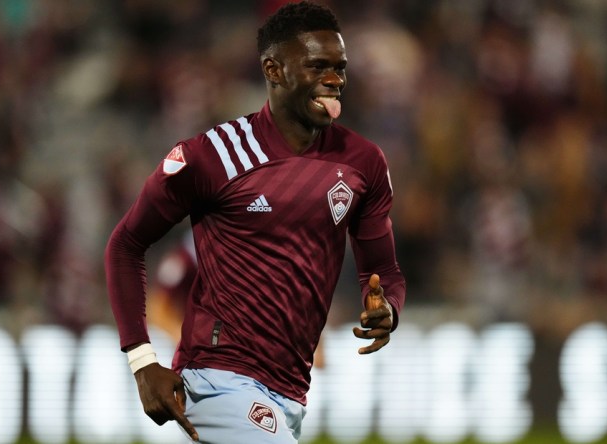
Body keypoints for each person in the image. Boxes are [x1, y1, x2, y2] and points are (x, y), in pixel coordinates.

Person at [105, 2, 406, 443]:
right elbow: (126, 244)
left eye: (340, 67)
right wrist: (140, 358)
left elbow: (384, 272)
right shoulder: (213, 156)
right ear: (274, 69)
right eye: (318, 66)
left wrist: (387, 309)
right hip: (217, 379)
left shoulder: (363, 163)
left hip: (290, 392)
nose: (335, 80)